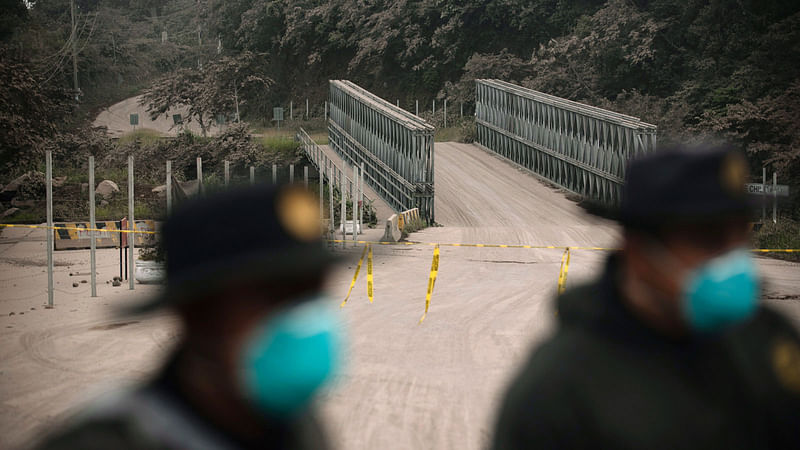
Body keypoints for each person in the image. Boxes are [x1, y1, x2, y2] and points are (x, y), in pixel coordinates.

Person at [493, 145, 800, 449]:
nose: (732, 259)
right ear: (638, 252)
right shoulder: (557, 394)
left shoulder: (769, 342)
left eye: (741, 238)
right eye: (709, 240)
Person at [39, 184, 342, 449]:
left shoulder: (298, 426)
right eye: (276, 297)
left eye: (312, 292)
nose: (304, 317)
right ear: (197, 312)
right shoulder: (106, 443)